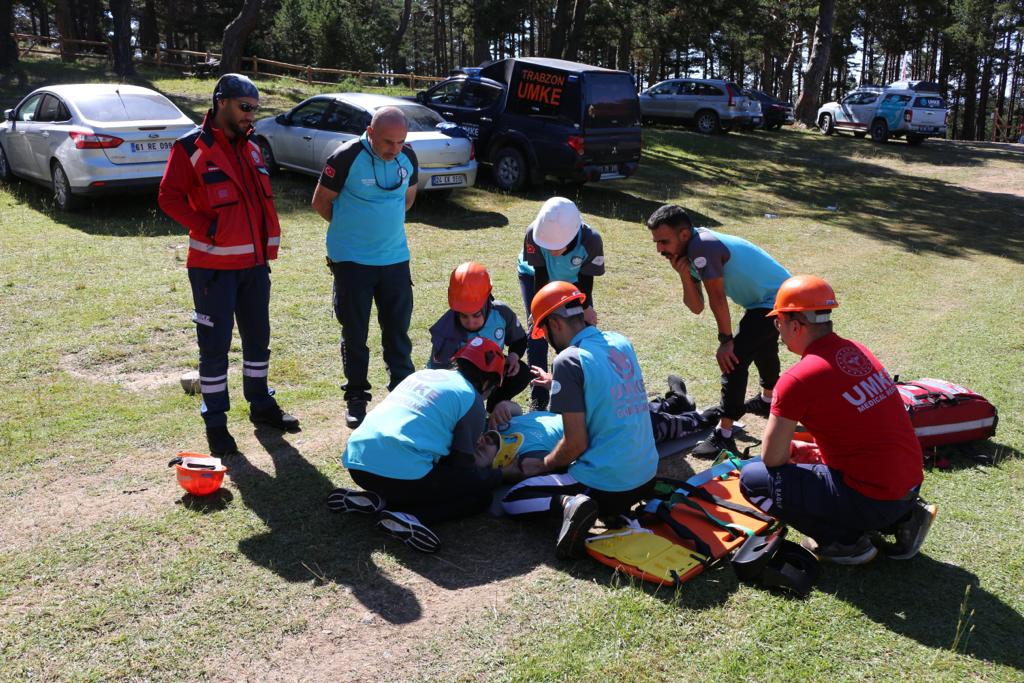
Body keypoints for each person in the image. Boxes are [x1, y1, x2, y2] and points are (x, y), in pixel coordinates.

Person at [739, 275, 936, 565]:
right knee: (800, 458)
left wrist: (796, 454)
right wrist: (814, 453)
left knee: (754, 478)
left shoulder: (796, 380)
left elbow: (772, 458)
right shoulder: (856, 351)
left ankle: (845, 543)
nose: (777, 331)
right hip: (907, 485)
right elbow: (858, 428)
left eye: (777, 321)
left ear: (795, 325)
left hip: (874, 498)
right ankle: (904, 518)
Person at [159, 73, 299, 456]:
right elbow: (169, 197)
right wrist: (207, 226)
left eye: (255, 109)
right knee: (215, 347)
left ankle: (261, 404)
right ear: (222, 102)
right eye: (245, 107)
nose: (251, 116)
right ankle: (216, 423)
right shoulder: (191, 147)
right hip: (213, 269)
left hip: (254, 267)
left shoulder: (253, 147)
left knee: (258, 340)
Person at [501, 281, 660, 559]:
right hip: (646, 476)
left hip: (607, 483)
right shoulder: (621, 342)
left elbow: (575, 444)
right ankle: (612, 513)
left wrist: (543, 465)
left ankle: (569, 504)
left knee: (514, 498)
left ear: (554, 324)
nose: (549, 341)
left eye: (545, 331)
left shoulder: (568, 360)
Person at [329, 338, 523, 553]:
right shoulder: (472, 399)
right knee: (479, 495)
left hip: (358, 466)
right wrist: (498, 474)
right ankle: (409, 516)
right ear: (488, 383)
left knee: (422, 476)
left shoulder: (422, 374)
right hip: (402, 475)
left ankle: (379, 499)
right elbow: (462, 467)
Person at [647, 204, 791, 458]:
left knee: (733, 358)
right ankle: (768, 401)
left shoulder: (702, 246)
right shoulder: (687, 252)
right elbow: (696, 306)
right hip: (768, 300)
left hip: (781, 299)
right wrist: (683, 275)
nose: (659, 249)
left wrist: (726, 341)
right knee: (762, 347)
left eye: (663, 241)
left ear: (683, 234)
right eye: (656, 242)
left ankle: (724, 436)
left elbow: (716, 298)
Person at [311, 106, 419, 429]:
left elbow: (407, 199)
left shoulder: (408, 158)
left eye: (401, 142)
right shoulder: (345, 157)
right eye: (388, 142)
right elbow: (320, 202)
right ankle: (356, 396)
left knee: (397, 332)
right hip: (352, 263)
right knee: (355, 333)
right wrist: (351, 231)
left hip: (395, 261)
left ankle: (401, 393)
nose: (394, 149)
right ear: (370, 133)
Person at [482, 376, 718, 465]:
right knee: (653, 424)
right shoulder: (521, 458)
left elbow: (516, 410)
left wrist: (504, 405)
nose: (479, 445)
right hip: (607, 434)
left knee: (637, 408)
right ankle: (705, 418)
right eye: (479, 454)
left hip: (586, 414)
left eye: (476, 445)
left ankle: (677, 401)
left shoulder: (497, 427)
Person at [517, 197, 605, 410]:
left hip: (575, 281)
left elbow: (586, 279)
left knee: (580, 330)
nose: (551, 250)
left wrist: (586, 308)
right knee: (538, 331)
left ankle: (579, 389)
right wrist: (539, 312)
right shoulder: (532, 234)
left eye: (557, 246)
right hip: (536, 278)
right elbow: (541, 273)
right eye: (547, 245)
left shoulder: (591, 241)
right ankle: (539, 399)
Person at [428, 262, 532, 411]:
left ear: (486, 303)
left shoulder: (501, 313)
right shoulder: (447, 329)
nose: (471, 322)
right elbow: (439, 376)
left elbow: (519, 339)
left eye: (476, 315)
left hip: (491, 372)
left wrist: (513, 357)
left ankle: (496, 408)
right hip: (461, 380)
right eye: (464, 316)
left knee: (521, 373)